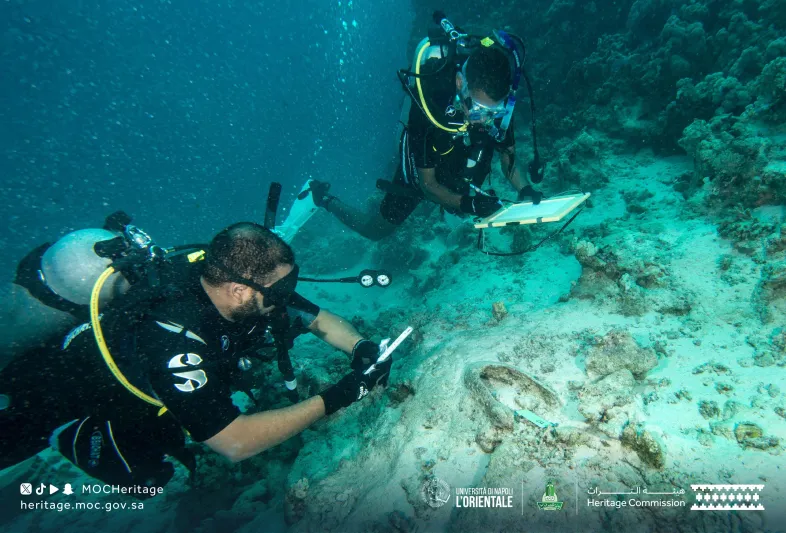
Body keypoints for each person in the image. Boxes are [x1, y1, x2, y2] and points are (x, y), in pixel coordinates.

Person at [0, 222, 391, 496]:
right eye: (280, 289)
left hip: (159, 391)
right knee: (145, 481)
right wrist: (340, 396)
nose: (286, 298)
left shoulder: (249, 292)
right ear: (239, 289)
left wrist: (361, 347)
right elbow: (234, 443)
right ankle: (67, 433)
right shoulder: (173, 337)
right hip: (65, 396)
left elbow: (318, 319)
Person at [310, 22, 544, 241]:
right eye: (479, 109)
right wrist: (466, 204)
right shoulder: (429, 104)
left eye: (494, 112)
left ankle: (455, 202)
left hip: (460, 156)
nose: (484, 120)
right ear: (460, 83)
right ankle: (325, 199)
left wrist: (525, 189)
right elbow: (428, 185)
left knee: (466, 190)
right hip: (420, 169)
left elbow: (508, 158)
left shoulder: (498, 105)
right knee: (377, 231)